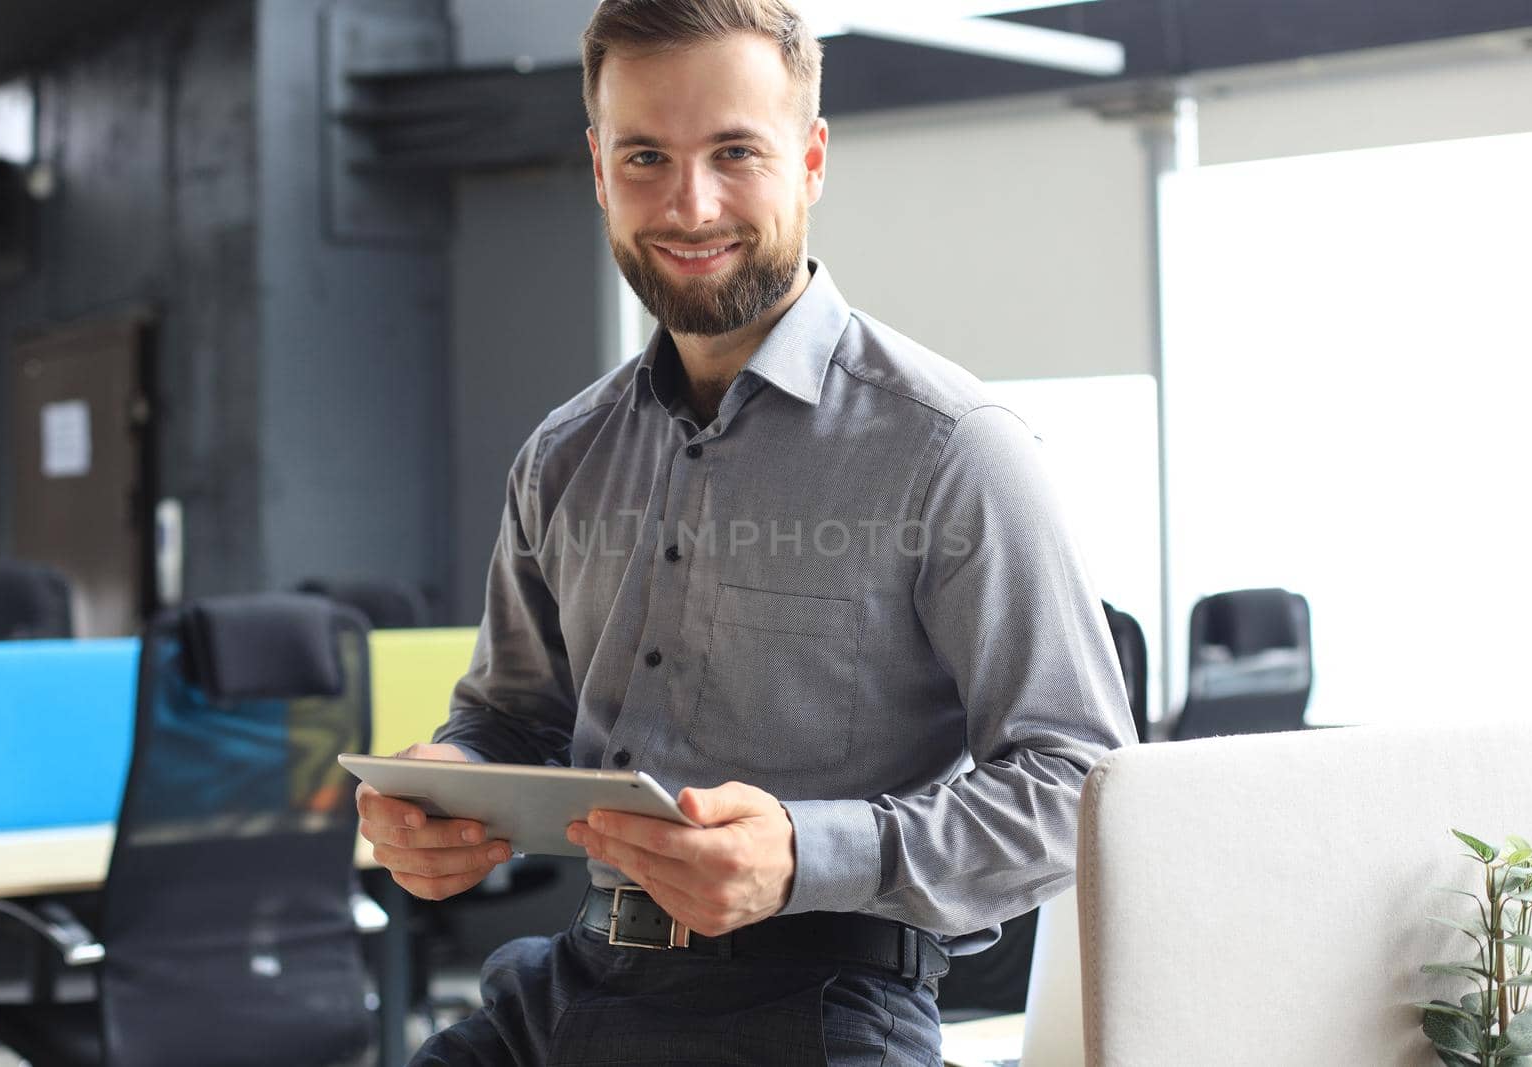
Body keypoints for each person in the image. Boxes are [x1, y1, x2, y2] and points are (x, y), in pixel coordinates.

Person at [355, 1, 1136, 1062]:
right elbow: (510, 718)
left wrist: (806, 850)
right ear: (597, 168)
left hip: (817, 1006)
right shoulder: (562, 455)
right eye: (645, 156)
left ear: (810, 160)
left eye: (735, 152)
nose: (690, 203)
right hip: (569, 986)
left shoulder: (953, 447)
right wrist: (440, 789)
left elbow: (1080, 787)